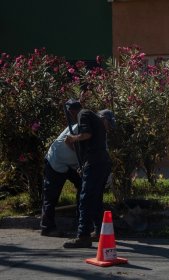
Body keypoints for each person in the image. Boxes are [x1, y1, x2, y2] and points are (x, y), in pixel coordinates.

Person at [62, 99, 116, 248]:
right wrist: (84, 166)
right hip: (100, 162)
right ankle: (99, 231)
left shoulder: (83, 114)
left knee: (85, 199)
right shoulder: (93, 117)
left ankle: (83, 235)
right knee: (96, 198)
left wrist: (73, 138)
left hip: (96, 163)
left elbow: (86, 134)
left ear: (72, 111)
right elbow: (90, 144)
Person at [40, 125, 81, 237]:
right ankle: (47, 228)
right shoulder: (81, 125)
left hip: (71, 164)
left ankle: (81, 224)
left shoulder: (98, 130)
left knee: (84, 187)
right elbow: (68, 140)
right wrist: (81, 155)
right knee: (51, 196)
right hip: (56, 161)